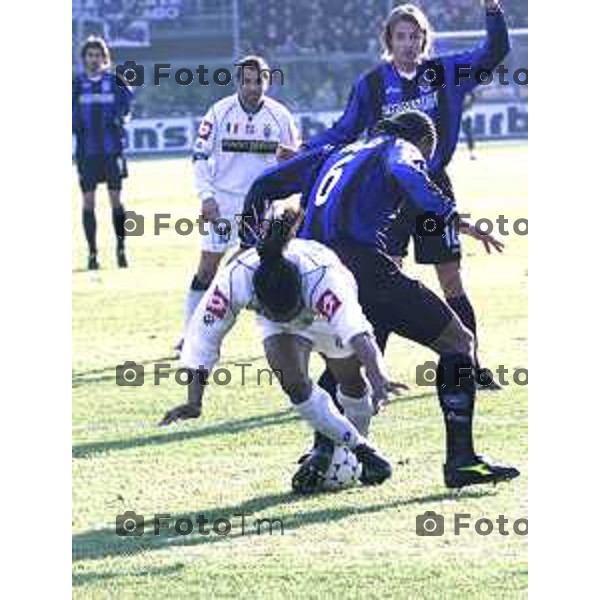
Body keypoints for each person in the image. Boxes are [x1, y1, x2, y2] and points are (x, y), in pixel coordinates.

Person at [240, 110, 519, 489]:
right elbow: (408, 173)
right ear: (421, 141)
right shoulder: (400, 146)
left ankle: (322, 454)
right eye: (427, 154)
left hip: (312, 270)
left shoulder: (336, 151)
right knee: (458, 342)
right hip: (358, 263)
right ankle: (461, 461)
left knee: (349, 354)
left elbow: (263, 184)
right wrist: (450, 213)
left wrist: (250, 245)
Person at [301, 1, 510, 386]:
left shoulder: (445, 72)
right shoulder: (372, 84)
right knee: (384, 280)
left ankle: (471, 365)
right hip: (388, 193)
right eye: (401, 37)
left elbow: (494, 53)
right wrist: (303, 151)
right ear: (389, 40)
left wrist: (493, 10)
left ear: (424, 39)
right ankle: (361, 373)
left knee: (451, 279)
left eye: (415, 36)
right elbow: (344, 132)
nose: (409, 44)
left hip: (430, 185)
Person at [160, 225, 402, 494]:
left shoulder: (324, 281)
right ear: (259, 301)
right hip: (279, 317)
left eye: (288, 313)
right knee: (293, 383)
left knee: (351, 383)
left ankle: (356, 448)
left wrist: (379, 377)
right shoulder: (236, 278)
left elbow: (358, 333)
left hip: (322, 318)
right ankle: (363, 450)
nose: (286, 320)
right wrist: (194, 400)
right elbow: (202, 338)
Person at [179, 55, 300, 351]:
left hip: (260, 205)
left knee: (255, 267)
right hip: (222, 202)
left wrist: (291, 158)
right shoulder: (219, 113)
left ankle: (281, 332)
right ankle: (189, 334)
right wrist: (206, 197)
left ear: (267, 81)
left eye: (258, 81)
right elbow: (199, 157)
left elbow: (296, 159)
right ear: (238, 82)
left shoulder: (280, 116)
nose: (252, 87)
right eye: (247, 81)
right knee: (207, 269)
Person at [72, 36, 133, 270]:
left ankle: (121, 249)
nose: (94, 59)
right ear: (84, 58)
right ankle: (92, 254)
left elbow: (128, 105)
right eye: (90, 55)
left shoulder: (115, 81)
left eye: (98, 55)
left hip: (112, 152)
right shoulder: (76, 84)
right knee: (88, 202)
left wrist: (119, 120)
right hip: (87, 153)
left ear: (104, 58)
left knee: (116, 200)